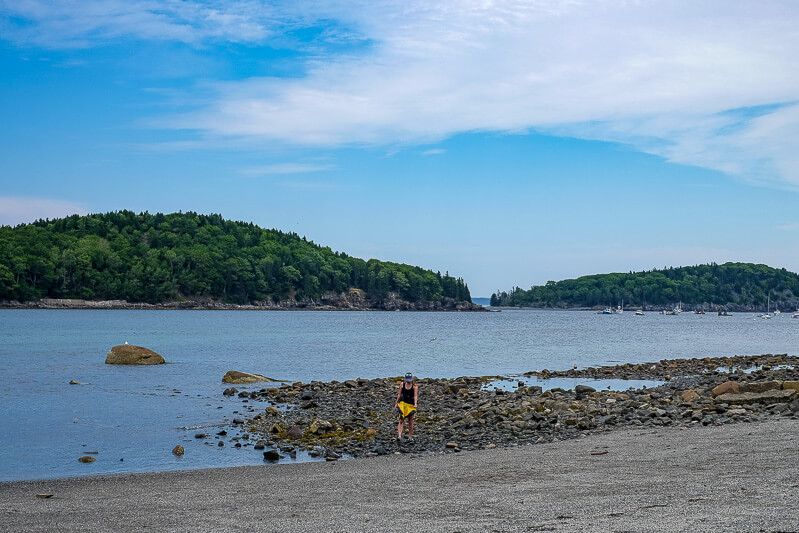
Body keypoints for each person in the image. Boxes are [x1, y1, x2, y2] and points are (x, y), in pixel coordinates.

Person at [395, 372, 418, 441]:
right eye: (407, 379)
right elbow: (399, 394)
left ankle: (410, 437)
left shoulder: (415, 386)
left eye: (410, 379)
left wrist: (415, 403)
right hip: (403, 404)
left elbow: (415, 396)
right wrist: (396, 403)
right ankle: (399, 436)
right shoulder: (402, 384)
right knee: (401, 419)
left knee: (410, 421)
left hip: (410, 405)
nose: (408, 381)